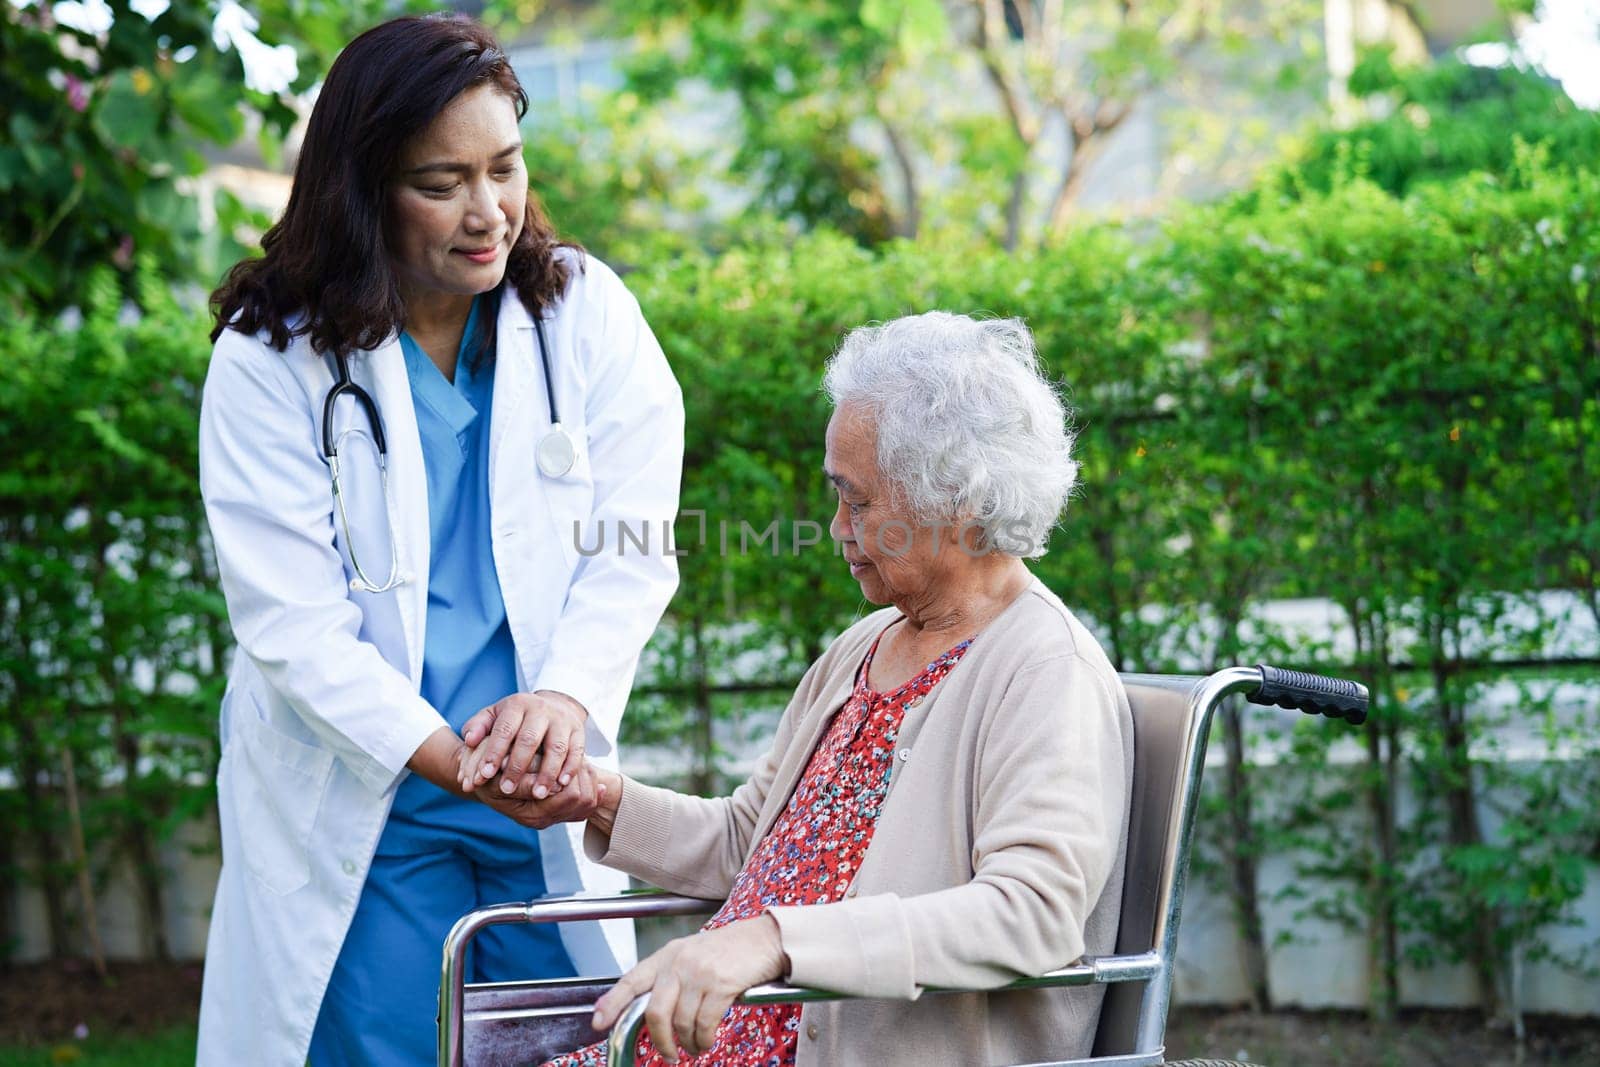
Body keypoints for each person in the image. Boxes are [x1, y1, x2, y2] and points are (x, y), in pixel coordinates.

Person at [195, 14, 683, 1066]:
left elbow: (633, 543)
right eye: (440, 181)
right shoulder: (270, 356)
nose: (486, 212)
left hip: (544, 792)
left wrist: (562, 701)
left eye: (504, 168)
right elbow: (292, 622)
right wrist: (454, 760)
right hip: (373, 796)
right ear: (362, 188)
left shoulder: (581, 314)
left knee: (567, 1046)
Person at [467, 312, 1135, 1067]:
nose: (836, 527)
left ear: (957, 501)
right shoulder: (869, 644)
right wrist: (598, 798)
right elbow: (748, 843)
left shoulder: (1046, 670)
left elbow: (1032, 915)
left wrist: (775, 942)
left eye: (859, 501)